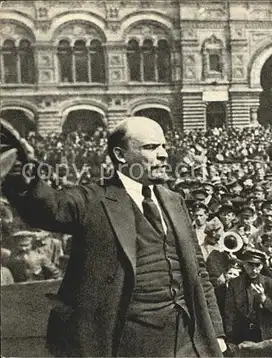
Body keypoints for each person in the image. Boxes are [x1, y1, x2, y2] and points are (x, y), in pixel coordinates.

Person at [3, 117, 226, 357]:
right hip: (128, 342)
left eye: (163, 146)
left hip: (187, 338)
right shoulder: (93, 200)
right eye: (150, 147)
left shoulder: (175, 200)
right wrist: (22, 172)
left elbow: (199, 272)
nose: (163, 155)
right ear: (121, 155)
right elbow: (49, 208)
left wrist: (216, 332)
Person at [223, 248, 272, 345]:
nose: (254, 270)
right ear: (244, 264)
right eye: (250, 265)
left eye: (258, 265)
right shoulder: (235, 283)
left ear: (262, 265)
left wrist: (264, 299)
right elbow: (229, 311)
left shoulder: (270, 282)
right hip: (241, 334)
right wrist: (229, 337)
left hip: (265, 334)